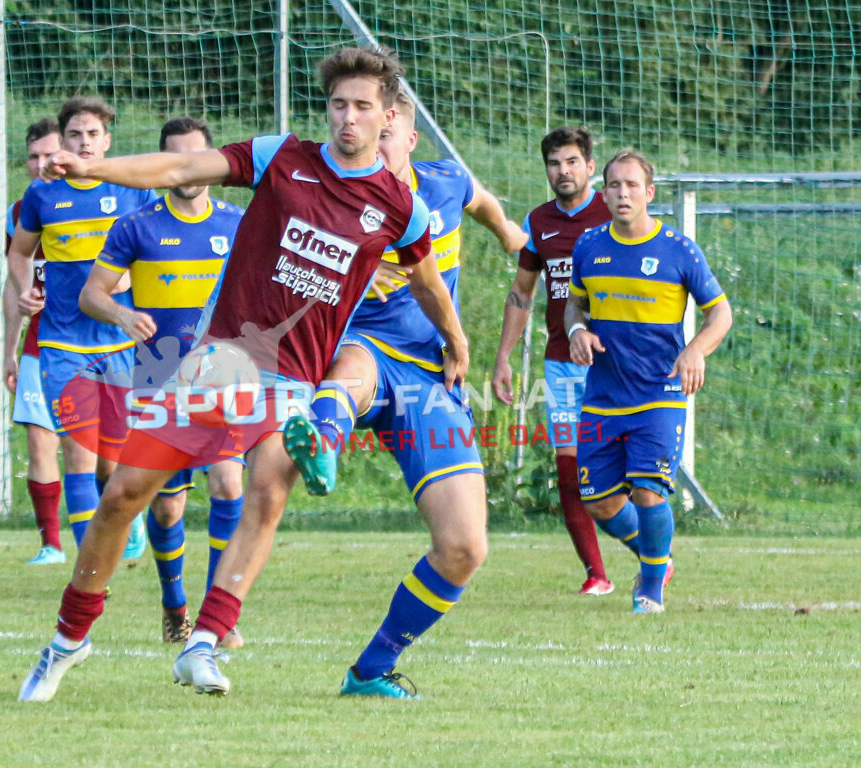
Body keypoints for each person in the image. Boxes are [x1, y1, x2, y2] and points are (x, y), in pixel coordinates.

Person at [17, 47, 467, 703]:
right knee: (124, 497)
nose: (347, 117)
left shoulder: (401, 208)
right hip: (215, 360)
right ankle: (69, 638)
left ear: (389, 115)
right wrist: (93, 166)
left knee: (267, 484)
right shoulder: (280, 158)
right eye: (338, 104)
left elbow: (428, 283)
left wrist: (456, 342)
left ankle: (204, 642)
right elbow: (178, 165)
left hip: (292, 377)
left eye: (362, 106)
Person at [281, 92, 526, 698]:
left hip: (432, 376)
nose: (368, 141)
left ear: (408, 140)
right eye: (357, 128)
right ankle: (321, 442)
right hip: (361, 345)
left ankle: (370, 671)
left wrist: (510, 235)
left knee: (465, 546)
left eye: (383, 133)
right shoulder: (332, 200)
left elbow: (483, 202)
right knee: (352, 373)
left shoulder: (444, 182)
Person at [77, 117, 247, 646]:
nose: (188, 171)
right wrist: (122, 316)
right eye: (177, 159)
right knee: (167, 504)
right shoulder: (137, 226)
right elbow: (92, 295)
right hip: (157, 379)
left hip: (221, 380)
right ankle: (176, 608)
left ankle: (221, 619)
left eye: (196, 158)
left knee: (228, 483)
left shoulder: (238, 224)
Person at [564, 148, 732, 614]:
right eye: (614, 184)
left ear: (649, 193)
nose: (622, 193)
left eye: (632, 185)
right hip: (603, 395)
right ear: (603, 191)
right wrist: (577, 330)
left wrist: (695, 348)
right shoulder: (590, 245)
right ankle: (659, 558)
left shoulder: (678, 250)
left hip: (659, 392)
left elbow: (720, 312)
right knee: (598, 502)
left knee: (648, 490)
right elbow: (575, 303)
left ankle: (650, 591)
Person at [6, 96, 154, 562]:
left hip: (119, 342)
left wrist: (138, 276)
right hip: (61, 343)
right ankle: (90, 569)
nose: (84, 142)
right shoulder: (42, 195)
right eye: (75, 134)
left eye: (93, 134)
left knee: (112, 461)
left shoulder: (134, 192)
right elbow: (19, 253)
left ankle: (121, 519)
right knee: (77, 452)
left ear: (107, 141)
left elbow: (158, 244)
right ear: (62, 141)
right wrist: (26, 288)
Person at [491, 127, 614, 596]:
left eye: (570, 162)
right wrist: (503, 357)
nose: (562, 172)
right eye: (553, 164)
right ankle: (596, 574)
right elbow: (522, 291)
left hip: (613, 363)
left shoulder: (612, 212)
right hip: (562, 363)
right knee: (570, 471)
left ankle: (653, 555)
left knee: (622, 467)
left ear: (588, 165)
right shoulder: (539, 222)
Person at [3, 118, 65, 565]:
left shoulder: (100, 204)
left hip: (99, 343)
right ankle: (51, 544)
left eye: (50, 154)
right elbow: (15, 282)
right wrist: (10, 346)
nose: (42, 163)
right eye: (34, 156)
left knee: (102, 450)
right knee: (40, 441)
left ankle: (126, 519)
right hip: (40, 345)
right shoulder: (18, 213)